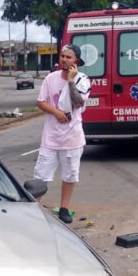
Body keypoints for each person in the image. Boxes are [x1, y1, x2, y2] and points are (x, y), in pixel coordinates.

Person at [34, 43, 91, 224]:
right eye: (62, 56)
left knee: (70, 175)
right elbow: (41, 102)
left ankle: (64, 208)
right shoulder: (50, 79)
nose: (64, 60)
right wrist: (56, 112)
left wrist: (71, 80)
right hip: (51, 137)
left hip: (72, 138)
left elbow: (77, 103)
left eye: (68, 57)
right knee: (41, 175)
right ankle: (33, 208)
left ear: (77, 61)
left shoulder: (83, 80)